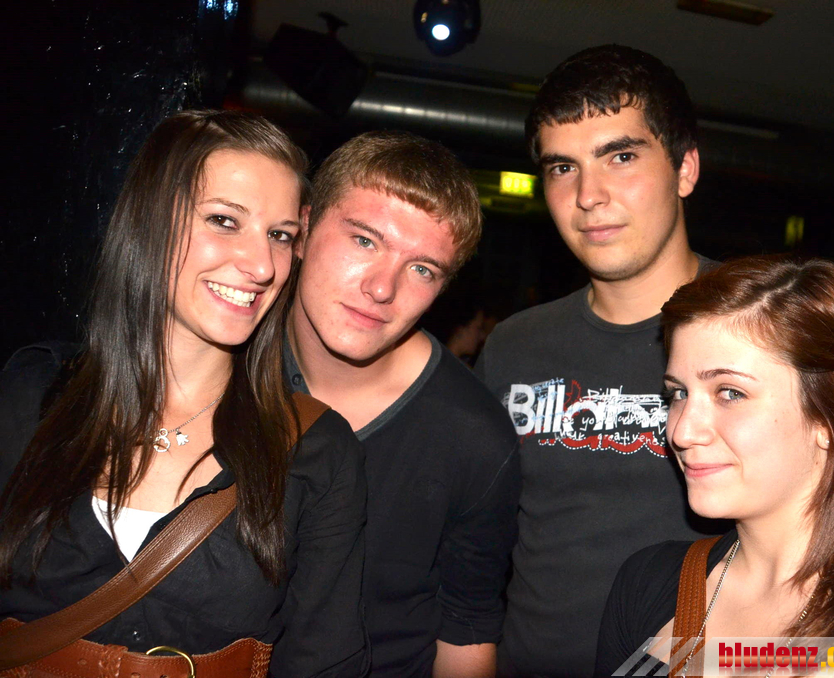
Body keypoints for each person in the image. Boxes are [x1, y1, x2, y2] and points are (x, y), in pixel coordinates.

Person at [475, 44, 834, 676]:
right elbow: (475, 541)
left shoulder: (783, 324)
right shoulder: (513, 345)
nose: (589, 194)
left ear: (685, 169)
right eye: (563, 167)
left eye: (621, 156)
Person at [0, 110, 368, 676]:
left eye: (279, 236)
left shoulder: (315, 451)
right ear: (150, 221)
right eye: (224, 220)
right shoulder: (29, 398)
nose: (261, 265)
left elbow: (325, 661)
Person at [595, 257, 834, 676]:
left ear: (833, 416)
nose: (683, 431)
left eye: (730, 393)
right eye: (678, 394)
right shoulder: (649, 585)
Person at [285, 130, 520, 677]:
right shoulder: (220, 364)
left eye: (421, 269)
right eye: (365, 240)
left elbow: (466, 632)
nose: (382, 288)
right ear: (302, 228)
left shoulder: (473, 438)